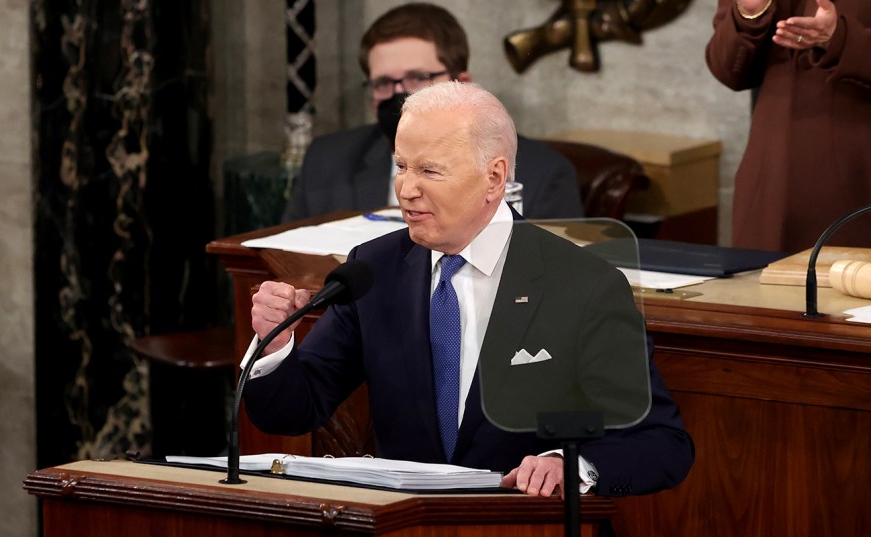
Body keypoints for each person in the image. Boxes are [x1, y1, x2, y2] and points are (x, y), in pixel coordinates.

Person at [243, 81, 694, 499]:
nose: (406, 188)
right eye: (400, 166)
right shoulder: (374, 268)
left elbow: (662, 442)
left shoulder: (583, 285)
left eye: (429, 170)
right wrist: (276, 347)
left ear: (494, 178)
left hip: (522, 526)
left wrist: (571, 466)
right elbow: (292, 411)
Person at [282, 2, 584, 223]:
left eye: (418, 78)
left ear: (462, 82)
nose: (400, 96)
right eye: (384, 83)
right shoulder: (327, 159)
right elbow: (283, 262)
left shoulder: (543, 174)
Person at [705, 0, 871, 253]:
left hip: (856, 180)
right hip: (769, 183)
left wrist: (839, 39)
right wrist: (750, 14)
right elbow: (728, 70)